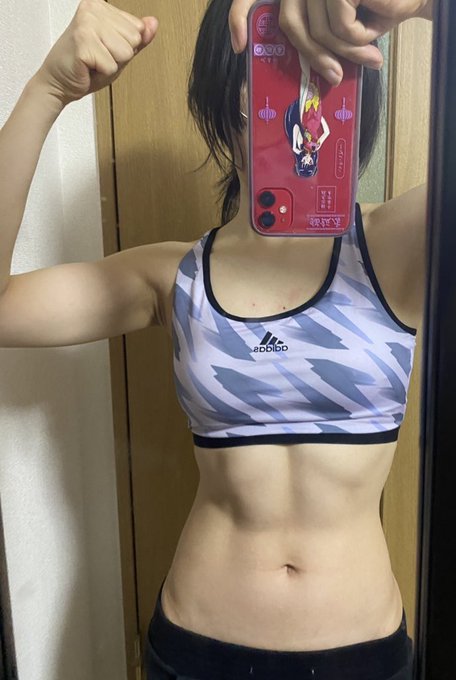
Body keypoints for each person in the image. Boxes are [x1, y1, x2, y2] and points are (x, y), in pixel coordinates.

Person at [0, 0, 431, 677]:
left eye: (316, 70)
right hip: (195, 649)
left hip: (362, 654)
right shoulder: (173, 275)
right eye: (267, 71)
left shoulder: (398, 246)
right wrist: (46, 91)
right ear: (227, 92)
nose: (290, 104)